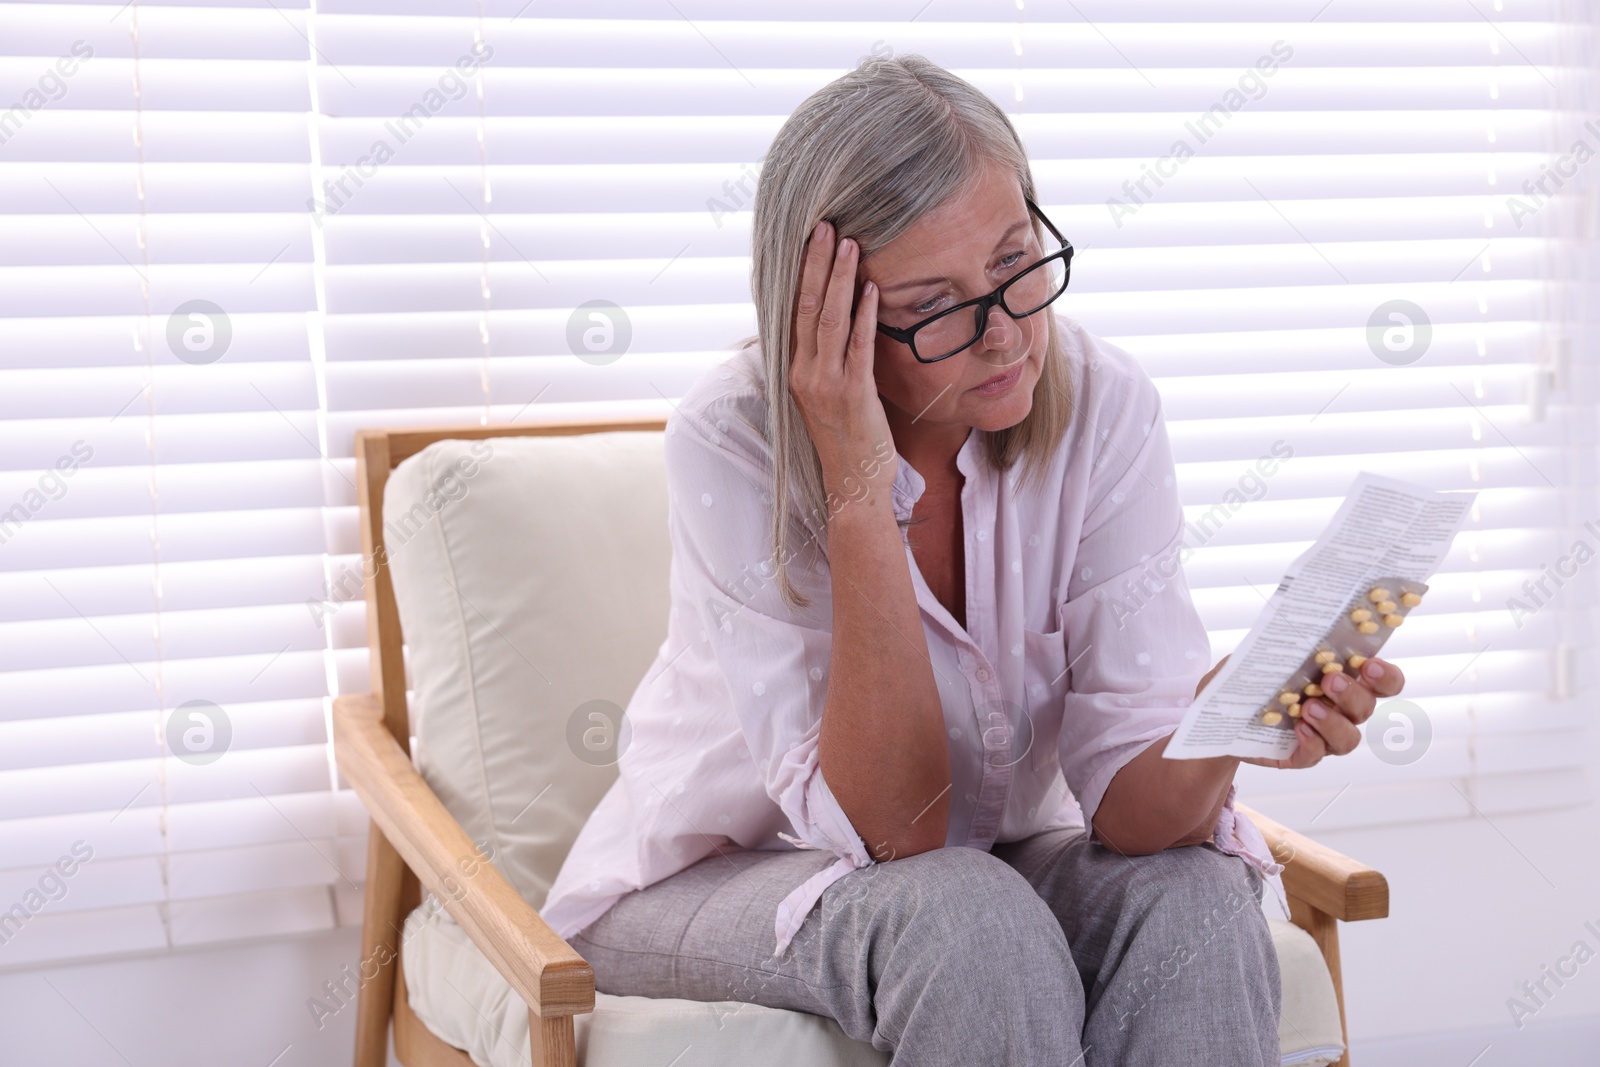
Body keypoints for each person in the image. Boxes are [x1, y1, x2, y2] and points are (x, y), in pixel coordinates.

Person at [539, 53, 1406, 1066]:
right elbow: (899, 828)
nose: (1005, 337)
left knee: (1196, 896)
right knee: (964, 913)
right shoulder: (731, 442)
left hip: (979, 860)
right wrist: (859, 483)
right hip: (711, 878)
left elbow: (1133, 818)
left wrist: (1232, 713)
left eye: (1014, 265)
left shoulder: (1103, 405)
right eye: (940, 306)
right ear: (832, 320)